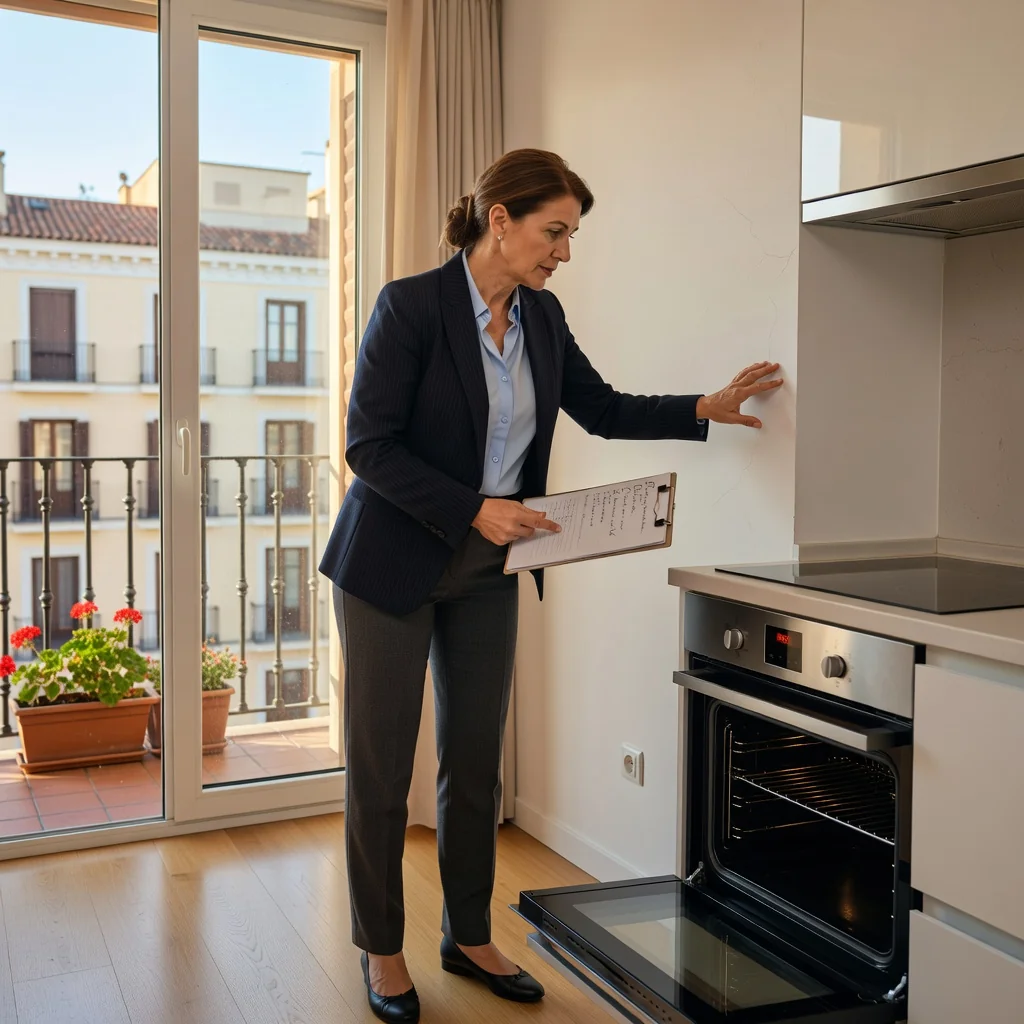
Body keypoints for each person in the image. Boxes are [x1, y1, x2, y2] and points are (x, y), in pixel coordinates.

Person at [319, 148, 782, 1023]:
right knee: (382, 771)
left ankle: (466, 931)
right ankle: (383, 948)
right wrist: (474, 509)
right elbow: (368, 447)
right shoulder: (411, 307)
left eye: (570, 235)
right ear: (501, 219)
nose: (564, 251)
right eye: (554, 230)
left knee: (475, 761)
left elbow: (600, 407)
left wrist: (701, 407)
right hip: (390, 563)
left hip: (492, 570)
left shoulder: (543, 316)